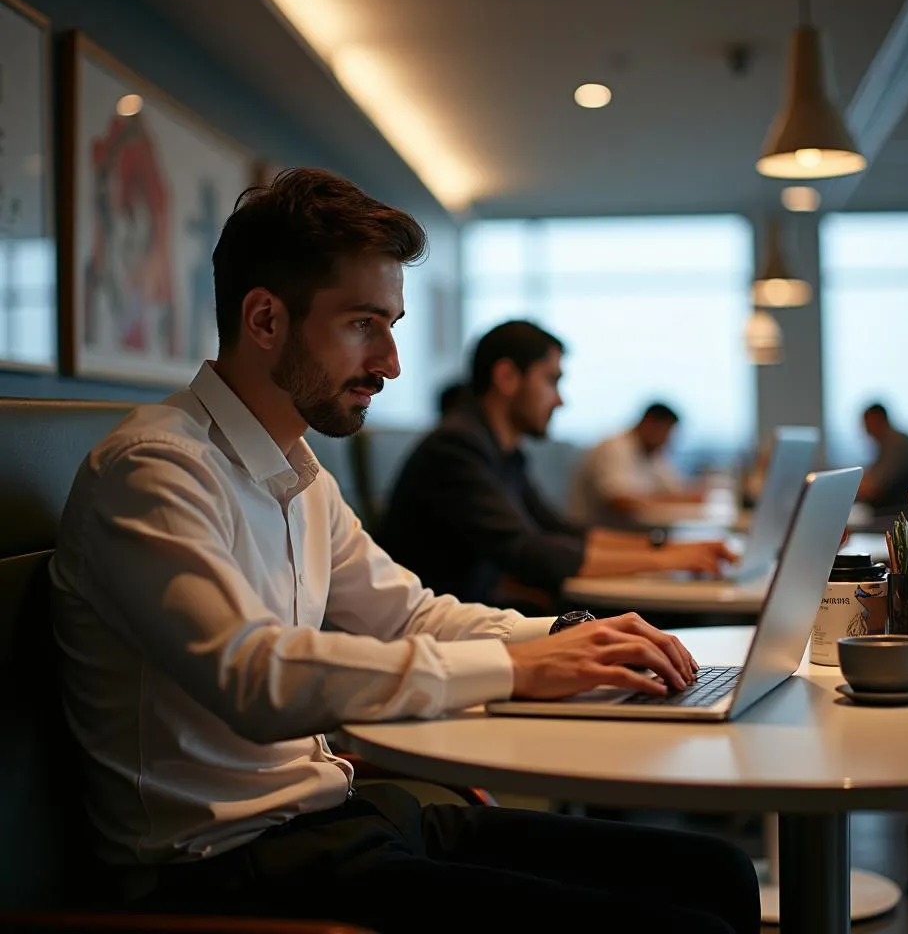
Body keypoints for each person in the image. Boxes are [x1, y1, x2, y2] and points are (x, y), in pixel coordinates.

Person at [50, 169, 759, 934]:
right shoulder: (155, 469)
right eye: (363, 324)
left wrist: (563, 638)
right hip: (227, 874)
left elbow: (409, 614)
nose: (390, 362)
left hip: (341, 817)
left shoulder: (299, 473)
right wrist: (518, 667)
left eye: (391, 325)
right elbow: (251, 676)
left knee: (714, 873)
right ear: (264, 320)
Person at [378, 320, 735, 609]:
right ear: (507, 378)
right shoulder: (456, 448)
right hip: (441, 631)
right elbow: (529, 553)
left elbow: (559, 529)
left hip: (474, 610)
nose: (560, 400)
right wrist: (667, 560)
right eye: (551, 380)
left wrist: (666, 550)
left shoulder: (503, 452)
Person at [569, 402, 706, 527]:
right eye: (666, 433)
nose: (667, 441)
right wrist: (669, 499)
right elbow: (619, 502)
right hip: (596, 535)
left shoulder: (652, 452)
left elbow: (675, 491)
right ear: (650, 424)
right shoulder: (614, 448)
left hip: (631, 533)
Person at [858, 402, 908, 512]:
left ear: (878, 420)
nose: (865, 429)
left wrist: (846, 491)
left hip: (898, 513)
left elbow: (874, 488)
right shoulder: (890, 442)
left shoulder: (897, 446)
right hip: (896, 509)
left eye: (867, 422)